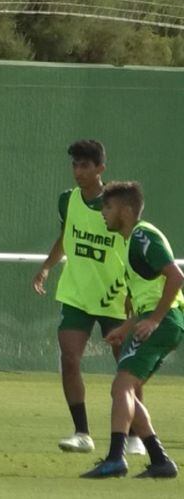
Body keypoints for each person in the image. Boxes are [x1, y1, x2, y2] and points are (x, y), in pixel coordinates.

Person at [32, 140, 142, 454]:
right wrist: (46, 268)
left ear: (100, 169)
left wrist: (133, 293)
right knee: (69, 359)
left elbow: (131, 246)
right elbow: (66, 236)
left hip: (114, 297)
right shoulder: (67, 200)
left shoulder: (117, 204)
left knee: (127, 366)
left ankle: (136, 435)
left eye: (85, 165)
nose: (78, 171)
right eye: (75, 165)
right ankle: (82, 433)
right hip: (77, 294)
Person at [81, 181, 180, 479]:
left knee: (121, 387)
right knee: (126, 391)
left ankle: (115, 459)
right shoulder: (130, 242)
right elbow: (149, 292)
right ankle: (160, 461)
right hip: (154, 321)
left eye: (108, 207)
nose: (103, 213)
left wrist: (155, 320)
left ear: (126, 210)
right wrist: (127, 325)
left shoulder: (142, 235)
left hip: (163, 322)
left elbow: (176, 276)